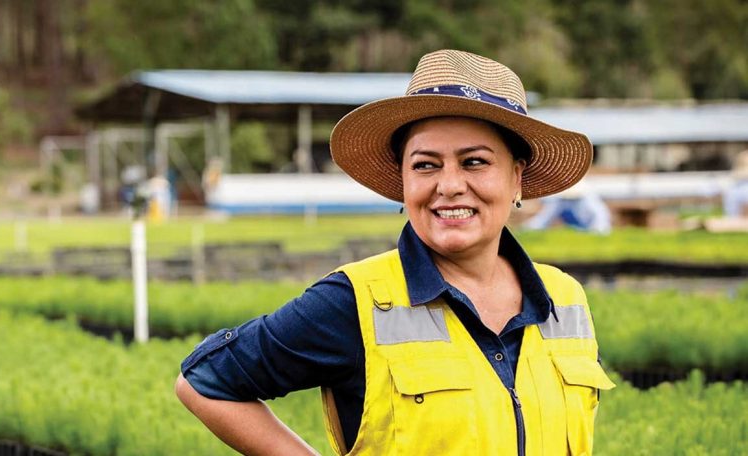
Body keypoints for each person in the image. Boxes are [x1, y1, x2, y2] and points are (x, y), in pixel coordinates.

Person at [175, 49, 615, 456]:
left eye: (474, 161)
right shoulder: (357, 300)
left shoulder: (566, 299)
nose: (449, 185)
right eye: (425, 165)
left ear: (517, 177)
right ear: (402, 183)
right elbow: (205, 383)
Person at [524, 179, 612, 234]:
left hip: (587, 227)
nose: (568, 202)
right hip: (577, 230)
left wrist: (598, 230)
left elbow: (601, 219)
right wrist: (529, 228)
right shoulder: (558, 202)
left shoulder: (588, 201)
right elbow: (544, 219)